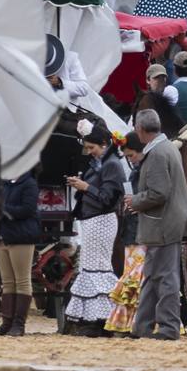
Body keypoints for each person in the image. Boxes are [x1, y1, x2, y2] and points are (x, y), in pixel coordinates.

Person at [127, 109, 187, 341]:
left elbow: (158, 193)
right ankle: (142, 327)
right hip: (166, 223)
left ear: (140, 129)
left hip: (163, 224)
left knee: (165, 278)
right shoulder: (166, 148)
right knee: (153, 276)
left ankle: (168, 328)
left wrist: (134, 201)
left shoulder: (156, 153)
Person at [62, 125, 126, 335]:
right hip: (92, 220)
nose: (89, 151)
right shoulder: (102, 163)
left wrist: (85, 187)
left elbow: (108, 198)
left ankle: (102, 320)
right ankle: (93, 319)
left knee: (98, 268)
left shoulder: (112, 165)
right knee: (91, 268)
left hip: (101, 220)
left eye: (92, 147)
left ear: (104, 144)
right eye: (87, 148)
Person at [106, 133, 147, 336]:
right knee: (133, 277)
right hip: (132, 230)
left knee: (136, 278)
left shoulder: (144, 171)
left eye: (131, 155)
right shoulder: (136, 172)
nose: (129, 160)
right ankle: (131, 323)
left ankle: (134, 323)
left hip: (141, 231)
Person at [0, 168, 40, 336]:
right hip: (3, 236)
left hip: (21, 236)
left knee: (21, 280)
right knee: (7, 281)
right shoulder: (5, 184)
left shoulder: (29, 184)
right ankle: (7, 322)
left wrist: (2, 209)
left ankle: (19, 323)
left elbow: (27, 209)